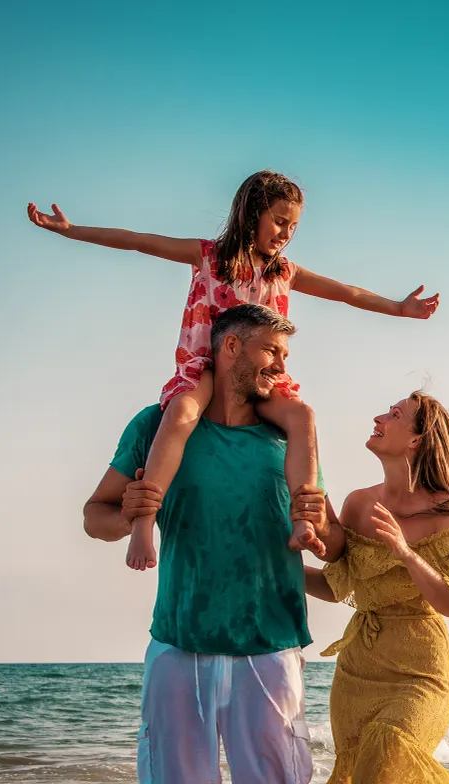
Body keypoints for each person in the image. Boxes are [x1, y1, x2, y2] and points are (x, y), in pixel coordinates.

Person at [30, 170, 439, 571]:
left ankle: (303, 521)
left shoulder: (286, 273)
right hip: (208, 366)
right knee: (181, 414)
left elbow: (348, 293)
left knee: (303, 416)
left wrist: (399, 308)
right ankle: (143, 523)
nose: (285, 233)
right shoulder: (209, 256)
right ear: (251, 214)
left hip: (263, 376)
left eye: (293, 226)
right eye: (279, 221)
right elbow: (140, 242)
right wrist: (71, 231)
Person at [82, 303, 339, 784]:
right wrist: (130, 515)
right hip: (180, 643)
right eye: (272, 351)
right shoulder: (157, 425)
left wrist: (323, 525)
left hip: (271, 644)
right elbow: (95, 516)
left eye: (286, 355)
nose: (283, 368)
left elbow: (334, 537)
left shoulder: (289, 437)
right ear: (232, 347)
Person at [304, 391, 449, 783]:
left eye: (394, 415)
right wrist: (272, 566)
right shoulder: (359, 504)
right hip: (358, 668)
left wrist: (404, 552)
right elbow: (335, 587)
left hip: (421, 670)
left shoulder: (447, 514)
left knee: (390, 742)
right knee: (361, 772)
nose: (379, 417)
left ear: (416, 440)